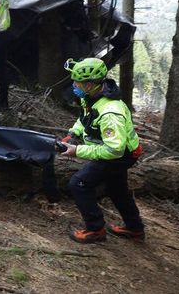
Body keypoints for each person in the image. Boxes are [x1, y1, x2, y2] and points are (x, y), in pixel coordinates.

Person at [58, 58, 145, 244]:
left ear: (89, 84)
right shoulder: (91, 95)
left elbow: (114, 150)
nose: (74, 85)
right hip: (118, 150)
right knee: (117, 188)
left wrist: (77, 151)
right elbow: (84, 118)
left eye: (77, 82)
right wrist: (74, 133)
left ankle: (95, 229)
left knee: (79, 183)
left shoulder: (111, 113)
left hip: (120, 154)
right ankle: (135, 228)